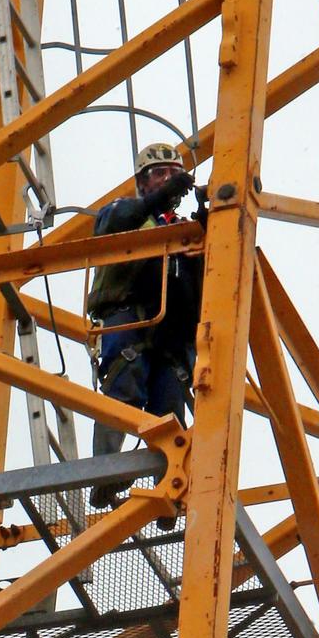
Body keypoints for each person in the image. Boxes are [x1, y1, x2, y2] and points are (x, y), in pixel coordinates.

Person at [85, 140, 205, 506]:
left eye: (173, 174)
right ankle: (106, 474)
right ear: (142, 181)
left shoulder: (187, 230)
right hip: (129, 318)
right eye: (159, 174)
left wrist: (208, 219)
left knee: (169, 415)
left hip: (173, 336)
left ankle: (168, 488)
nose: (167, 180)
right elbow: (114, 223)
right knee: (124, 389)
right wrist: (158, 200)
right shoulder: (125, 212)